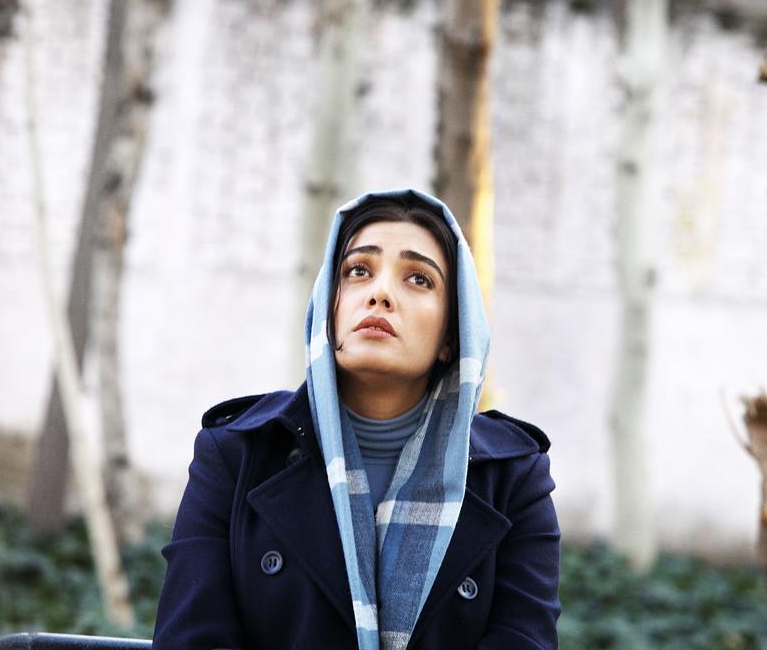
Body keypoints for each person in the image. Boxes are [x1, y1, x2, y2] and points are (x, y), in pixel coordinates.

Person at [153, 189, 560, 650]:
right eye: (358, 271)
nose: (380, 293)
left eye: (419, 279)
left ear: (452, 336)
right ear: (329, 306)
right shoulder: (236, 453)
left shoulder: (514, 479)